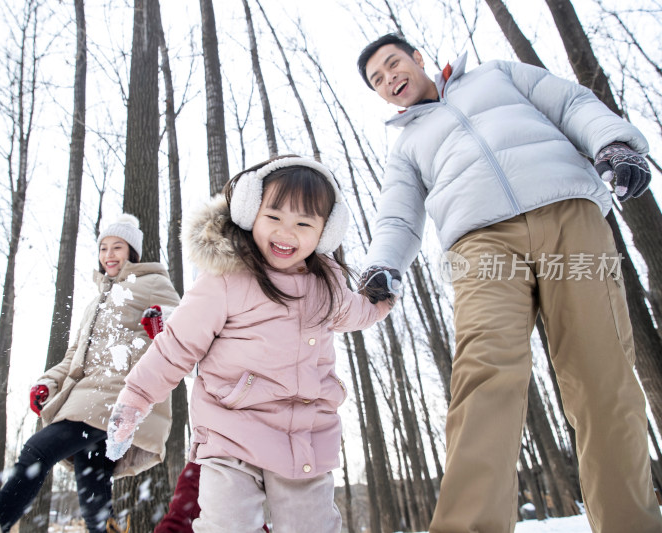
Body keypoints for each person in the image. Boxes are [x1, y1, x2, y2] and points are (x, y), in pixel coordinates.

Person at [355, 33, 662, 532]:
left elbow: (569, 103)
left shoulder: (496, 74)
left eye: (393, 64)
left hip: (568, 214)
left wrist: (615, 142)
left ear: (417, 58)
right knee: (484, 373)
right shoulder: (407, 147)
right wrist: (382, 265)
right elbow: (398, 217)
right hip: (481, 247)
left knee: (601, 373)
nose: (389, 79)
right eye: (378, 81)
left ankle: (631, 524)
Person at [105, 155, 394, 532]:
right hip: (231, 431)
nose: (286, 233)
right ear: (249, 211)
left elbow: (357, 312)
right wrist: (135, 398)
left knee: (311, 525)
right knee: (229, 523)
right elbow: (177, 345)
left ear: (326, 231)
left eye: (304, 223)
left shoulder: (329, 286)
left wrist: (381, 301)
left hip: (303, 436)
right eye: (273, 218)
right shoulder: (227, 278)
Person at [0, 214, 180, 533]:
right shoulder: (95, 301)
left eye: (117, 247)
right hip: (87, 394)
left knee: (37, 450)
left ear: (133, 253)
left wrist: (159, 323)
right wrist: (48, 382)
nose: (109, 255)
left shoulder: (152, 282)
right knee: (92, 492)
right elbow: (75, 356)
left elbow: (179, 322)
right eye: (103, 248)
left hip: (116, 396)